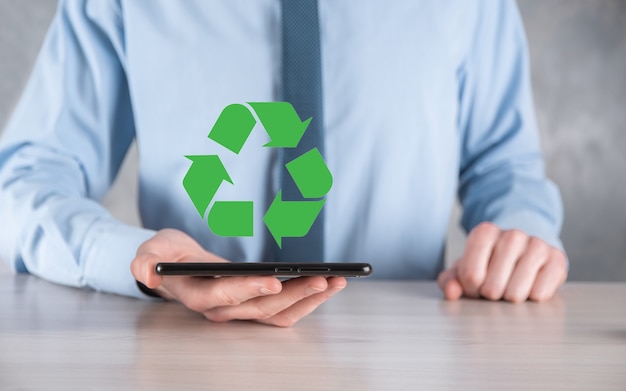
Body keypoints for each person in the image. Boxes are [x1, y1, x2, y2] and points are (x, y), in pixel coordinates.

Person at [0, 0, 567, 327]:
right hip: (187, 353)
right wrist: (140, 265)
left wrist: (519, 240)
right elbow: (26, 181)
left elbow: (503, 168)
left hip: (408, 358)